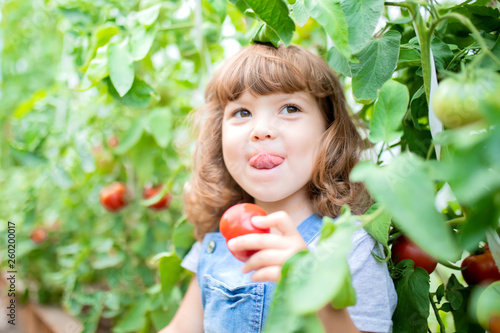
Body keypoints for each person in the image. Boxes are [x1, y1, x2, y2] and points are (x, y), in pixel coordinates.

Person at [159, 43, 397, 333]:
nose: (260, 129)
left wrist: (316, 289)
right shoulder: (216, 243)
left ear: (329, 131)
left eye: (290, 108)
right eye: (242, 112)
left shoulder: (352, 247)